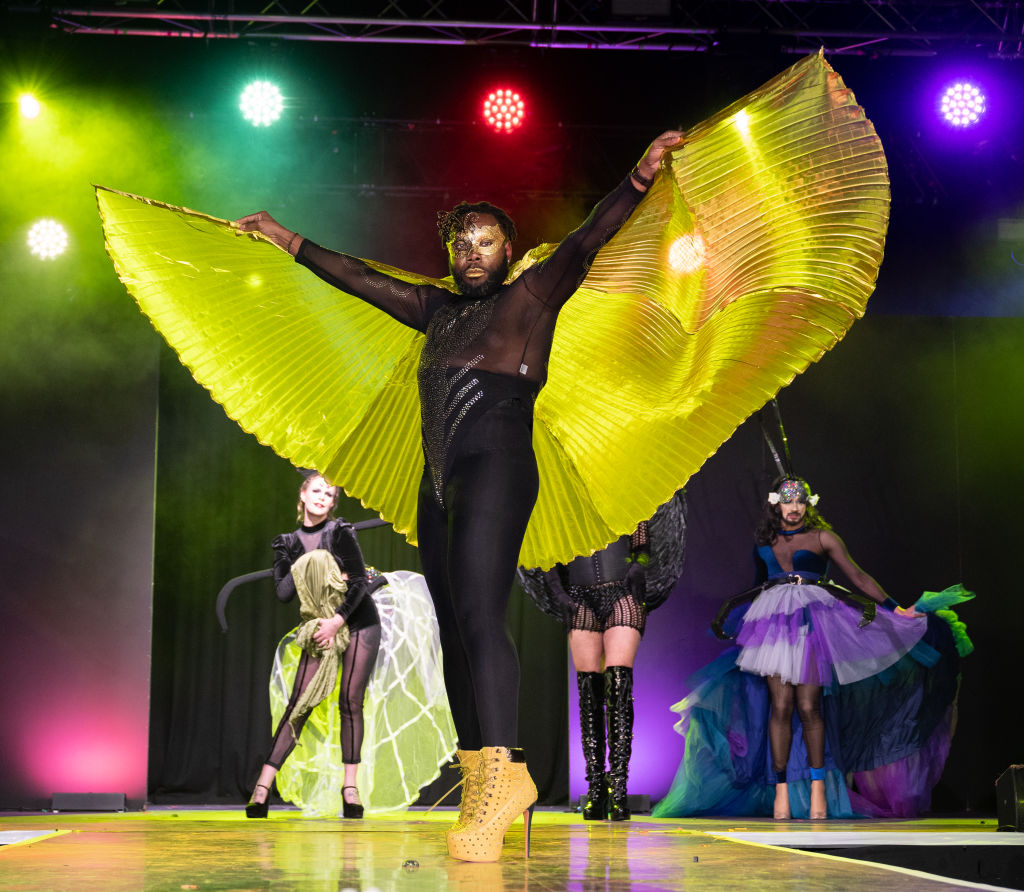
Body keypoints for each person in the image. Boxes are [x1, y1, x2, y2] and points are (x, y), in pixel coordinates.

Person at [236, 130, 684, 860]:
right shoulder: (436, 312)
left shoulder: (533, 297)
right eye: (461, 243)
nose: (471, 251)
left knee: (480, 614)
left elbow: (588, 238)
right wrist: (288, 239)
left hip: (499, 468)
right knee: (450, 625)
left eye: (486, 241)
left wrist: (636, 178)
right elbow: (356, 276)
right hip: (438, 479)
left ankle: (504, 771)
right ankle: (482, 777)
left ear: (509, 251)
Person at [652, 476, 973, 821]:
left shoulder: (823, 538)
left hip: (814, 621)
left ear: (809, 504)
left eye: (800, 502)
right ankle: (782, 794)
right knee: (781, 705)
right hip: (773, 624)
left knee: (809, 706)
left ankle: (819, 789)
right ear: (777, 504)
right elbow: (760, 584)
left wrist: (895, 608)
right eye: (788, 502)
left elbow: (859, 576)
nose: (795, 508)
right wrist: (729, 608)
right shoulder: (766, 542)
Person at [246, 472, 381, 819]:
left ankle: (350, 789)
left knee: (350, 701)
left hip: (356, 619)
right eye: (317, 490)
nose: (323, 497)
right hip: (318, 626)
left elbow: (360, 584)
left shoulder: (339, 532)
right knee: (298, 703)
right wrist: (304, 561)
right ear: (303, 495)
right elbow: (284, 593)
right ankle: (262, 788)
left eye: (330, 494)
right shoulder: (286, 543)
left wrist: (337, 620)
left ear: (333, 503)